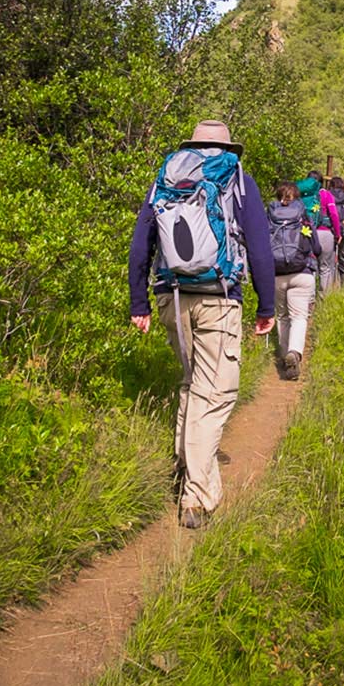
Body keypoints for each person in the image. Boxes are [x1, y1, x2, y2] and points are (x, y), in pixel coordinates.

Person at [128, 120, 275, 529]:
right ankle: (197, 497)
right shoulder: (237, 179)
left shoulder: (168, 173)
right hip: (219, 299)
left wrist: (139, 301)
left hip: (169, 295)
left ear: (192, 144)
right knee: (215, 395)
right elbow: (260, 248)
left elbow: (142, 243)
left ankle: (183, 467)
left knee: (192, 382)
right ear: (229, 147)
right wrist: (266, 306)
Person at [268, 181, 319, 380]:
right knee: (299, 316)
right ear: (297, 197)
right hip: (302, 272)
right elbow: (316, 247)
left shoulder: (271, 215)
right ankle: (294, 352)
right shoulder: (303, 215)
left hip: (277, 274)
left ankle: (283, 355)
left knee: (282, 316)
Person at [300, 170, 341, 295]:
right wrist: (338, 234)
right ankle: (324, 300)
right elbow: (333, 214)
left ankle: (309, 299)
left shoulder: (302, 195)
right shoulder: (326, 195)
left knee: (309, 267)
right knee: (325, 268)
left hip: (307, 233)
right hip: (325, 233)